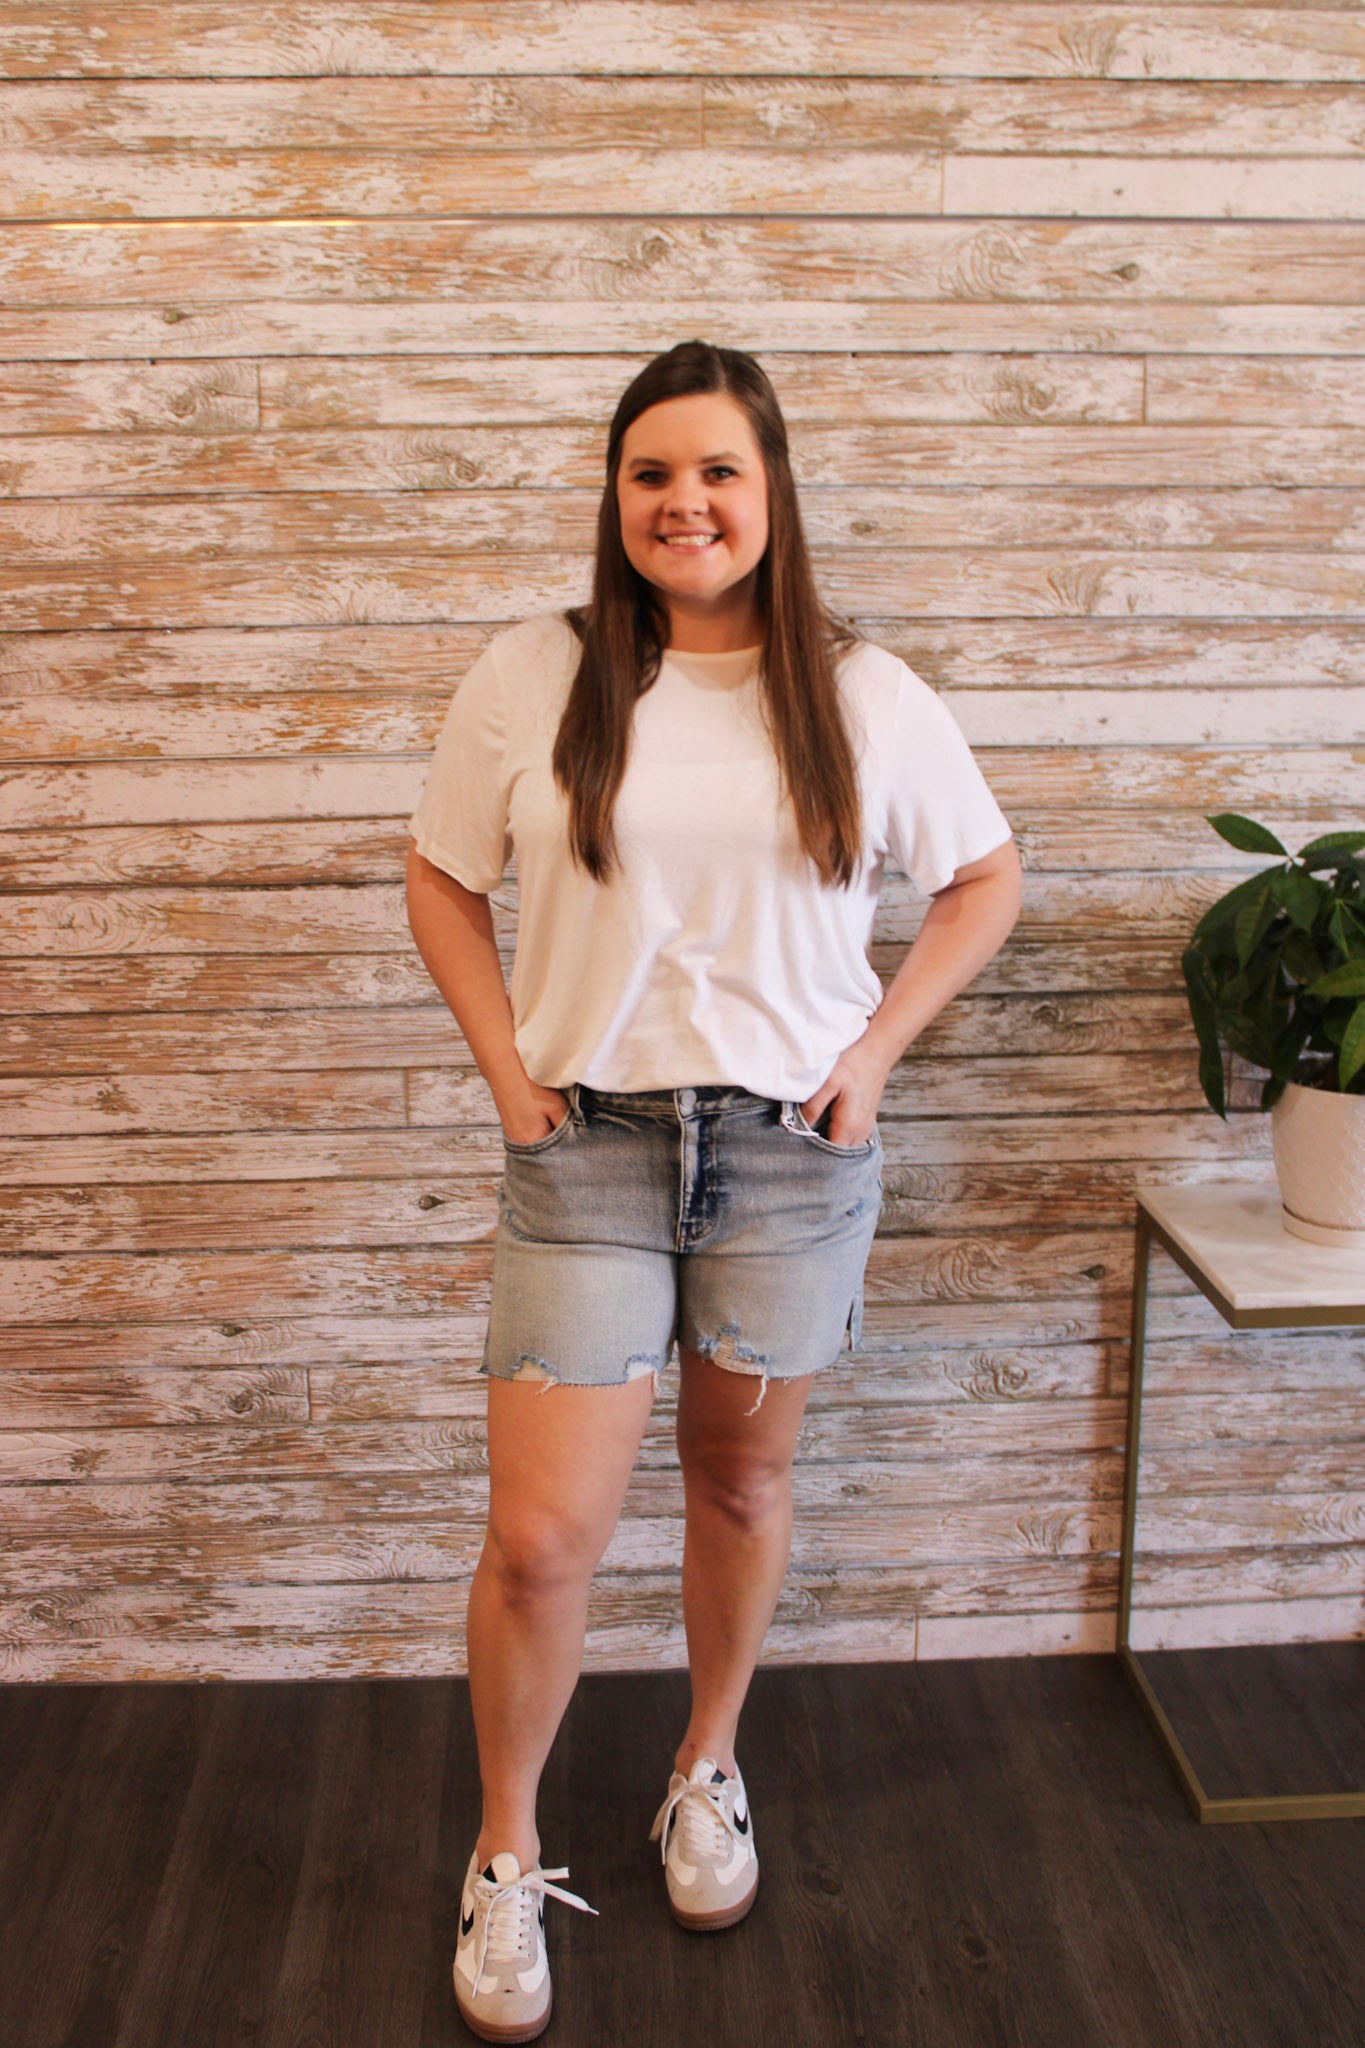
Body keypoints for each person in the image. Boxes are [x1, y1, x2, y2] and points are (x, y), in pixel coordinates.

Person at [405, 339, 1022, 2042]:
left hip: (785, 1159)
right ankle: (504, 1852)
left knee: (740, 1488)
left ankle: (706, 1766)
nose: (684, 502)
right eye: (651, 473)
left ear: (770, 492)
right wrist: (507, 1075)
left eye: (717, 471)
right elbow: (440, 877)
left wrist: (874, 1053)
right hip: (586, 1150)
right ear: (616, 496)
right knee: (541, 1540)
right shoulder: (536, 672)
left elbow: (981, 876)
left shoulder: (859, 690)